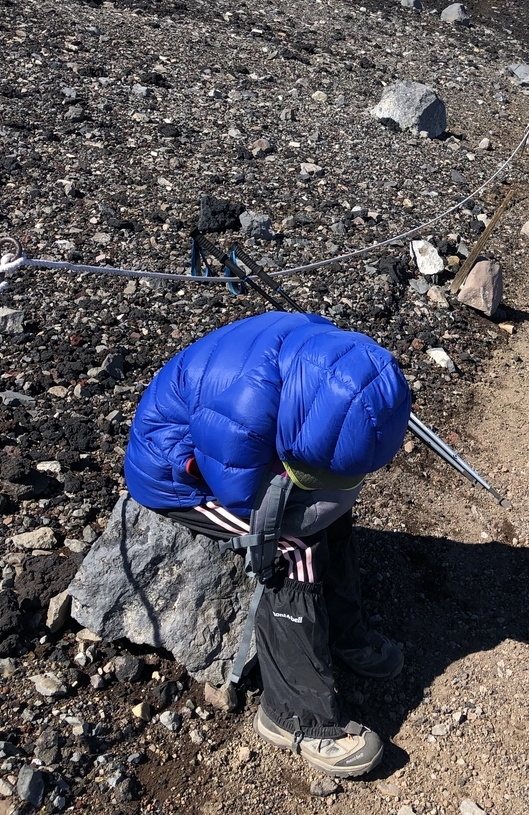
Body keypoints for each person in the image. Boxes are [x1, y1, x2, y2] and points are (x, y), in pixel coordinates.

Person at [123, 310, 412, 778]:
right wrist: (297, 516)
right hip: (178, 471)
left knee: (331, 519)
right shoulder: (244, 410)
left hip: (230, 441)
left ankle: (345, 636)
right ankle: (294, 716)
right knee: (292, 547)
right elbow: (249, 506)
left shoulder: (339, 361)